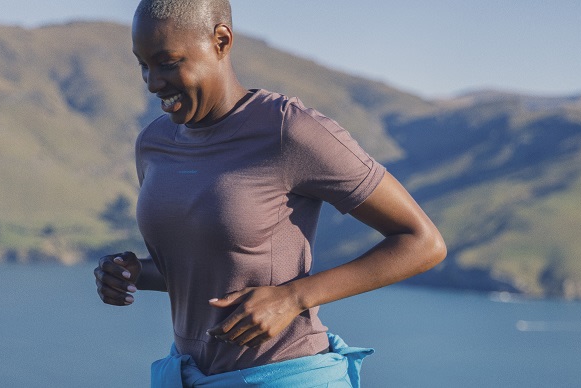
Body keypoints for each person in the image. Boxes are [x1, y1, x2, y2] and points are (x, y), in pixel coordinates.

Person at [94, 0, 447, 386]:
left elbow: (423, 242)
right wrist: (132, 273)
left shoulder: (289, 130)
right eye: (143, 64)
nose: (152, 82)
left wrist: (294, 297)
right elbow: (213, 268)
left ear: (221, 41)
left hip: (287, 375)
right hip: (187, 374)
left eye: (168, 62)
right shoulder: (153, 144)